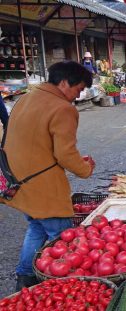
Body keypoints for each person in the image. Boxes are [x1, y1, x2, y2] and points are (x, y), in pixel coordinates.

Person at [2, 61, 95, 290]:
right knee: (63, 236)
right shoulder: (63, 108)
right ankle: (65, 284)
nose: (78, 95)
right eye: (78, 89)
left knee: (36, 228)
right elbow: (65, 154)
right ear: (64, 83)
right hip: (43, 186)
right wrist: (85, 169)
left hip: (19, 181)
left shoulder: (26, 98)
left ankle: (25, 277)